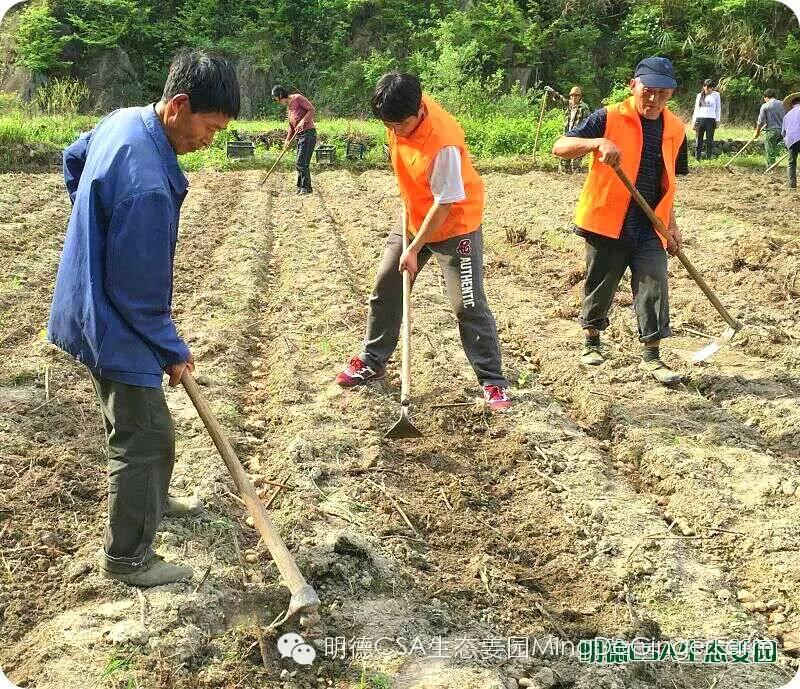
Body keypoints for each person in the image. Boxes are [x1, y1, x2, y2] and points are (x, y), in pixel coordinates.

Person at [48, 51, 240, 586]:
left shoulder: (125, 118)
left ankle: (149, 496)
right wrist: (172, 350)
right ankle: (129, 557)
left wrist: (93, 224)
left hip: (90, 298)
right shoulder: (149, 185)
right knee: (148, 437)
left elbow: (73, 159)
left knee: (133, 424)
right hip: (114, 321)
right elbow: (139, 295)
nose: (210, 140)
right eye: (209, 127)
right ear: (178, 106)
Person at [335, 72, 510, 411]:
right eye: (389, 124)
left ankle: (493, 381)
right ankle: (372, 360)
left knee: (467, 303)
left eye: (400, 124)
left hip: (454, 224)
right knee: (386, 284)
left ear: (418, 111)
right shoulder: (398, 113)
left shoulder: (442, 142)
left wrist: (414, 250)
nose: (395, 130)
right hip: (415, 217)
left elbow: (444, 204)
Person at [552, 56, 689, 386]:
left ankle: (652, 356)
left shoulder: (676, 129)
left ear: (671, 94)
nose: (654, 99)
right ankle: (592, 342)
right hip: (608, 220)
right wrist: (596, 142)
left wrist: (671, 225)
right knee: (601, 283)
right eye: (648, 91)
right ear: (633, 86)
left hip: (649, 225)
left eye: (663, 93)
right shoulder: (608, 116)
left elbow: (668, 180)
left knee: (654, 283)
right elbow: (560, 146)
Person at [272, 85, 317, 194]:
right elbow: (291, 126)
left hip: (308, 134)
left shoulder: (298, 98)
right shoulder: (289, 108)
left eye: (276, 98)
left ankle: (306, 188)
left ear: (281, 95)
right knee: (299, 162)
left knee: (301, 162)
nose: (277, 101)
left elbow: (311, 109)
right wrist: (287, 140)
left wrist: (303, 121)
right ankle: (300, 186)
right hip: (299, 136)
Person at [561, 86, 591, 173]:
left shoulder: (584, 108)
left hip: (578, 136)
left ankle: (575, 175)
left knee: (575, 161)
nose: (574, 97)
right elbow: (559, 98)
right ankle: (563, 177)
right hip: (567, 134)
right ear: (570, 96)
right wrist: (551, 92)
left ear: (580, 96)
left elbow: (588, 122)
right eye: (572, 95)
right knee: (564, 157)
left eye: (576, 95)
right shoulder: (568, 105)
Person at [691, 79, 721, 160]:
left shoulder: (716, 95)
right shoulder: (699, 95)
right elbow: (696, 109)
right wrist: (694, 122)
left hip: (711, 120)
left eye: (710, 88)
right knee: (698, 140)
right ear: (704, 87)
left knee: (709, 140)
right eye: (707, 88)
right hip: (700, 119)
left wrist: (718, 120)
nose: (708, 90)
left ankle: (708, 158)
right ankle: (697, 158)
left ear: (712, 88)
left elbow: (718, 108)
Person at [755, 89, 785, 167]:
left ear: (766, 97)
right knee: (774, 148)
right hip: (782, 131)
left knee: (769, 149)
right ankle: (774, 165)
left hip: (772, 131)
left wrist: (757, 133)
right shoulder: (782, 104)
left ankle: (771, 168)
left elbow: (760, 121)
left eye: (764, 98)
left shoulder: (765, 106)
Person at [782, 91, 800, 189]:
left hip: (792, 140)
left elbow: (783, 133)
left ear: (792, 104)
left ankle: (792, 186)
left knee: (791, 163)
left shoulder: (787, 116)